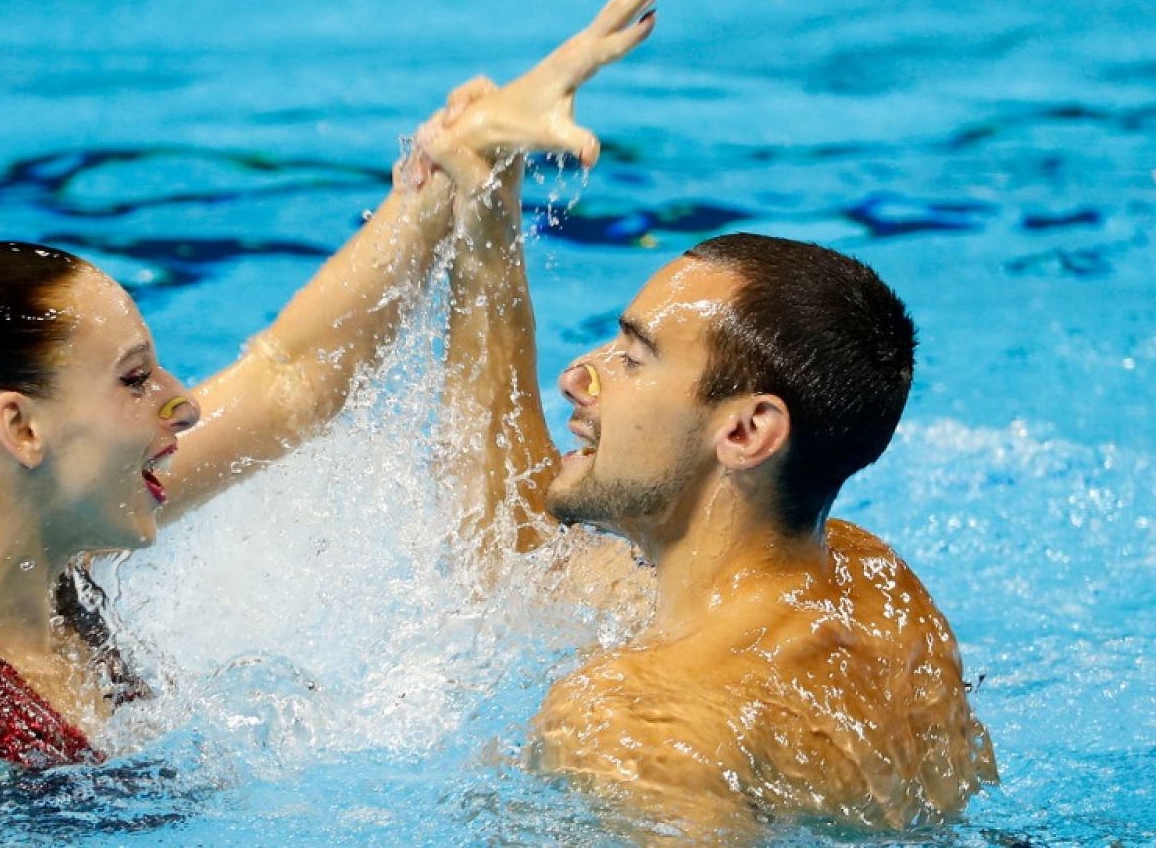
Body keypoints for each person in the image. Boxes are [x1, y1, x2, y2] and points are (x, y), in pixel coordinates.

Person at [0, 0, 672, 801]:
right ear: (22, 427)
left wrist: (457, 166)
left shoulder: (33, 533)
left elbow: (294, 373)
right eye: (135, 379)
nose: (181, 400)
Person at [412, 87, 998, 834]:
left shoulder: (630, 723)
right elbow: (516, 553)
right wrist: (485, 215)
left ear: (748, 432)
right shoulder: (873, 586)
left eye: (632, 357)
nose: (578, 377)